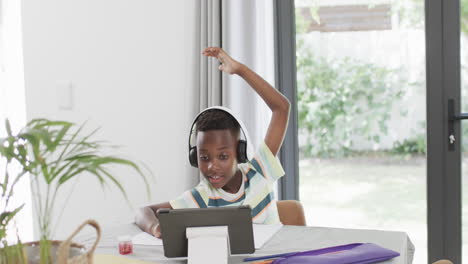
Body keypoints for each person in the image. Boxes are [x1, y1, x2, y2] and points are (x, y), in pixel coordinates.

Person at [135, 47, 290, 238]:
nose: (212, 166)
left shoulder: (259, 171)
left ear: (240, 152)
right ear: (194, 157)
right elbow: (143, 211)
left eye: (223, 156)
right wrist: (156, 229)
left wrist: (240, 70)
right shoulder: (203, 196)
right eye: (203, 157)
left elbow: (281, 108)